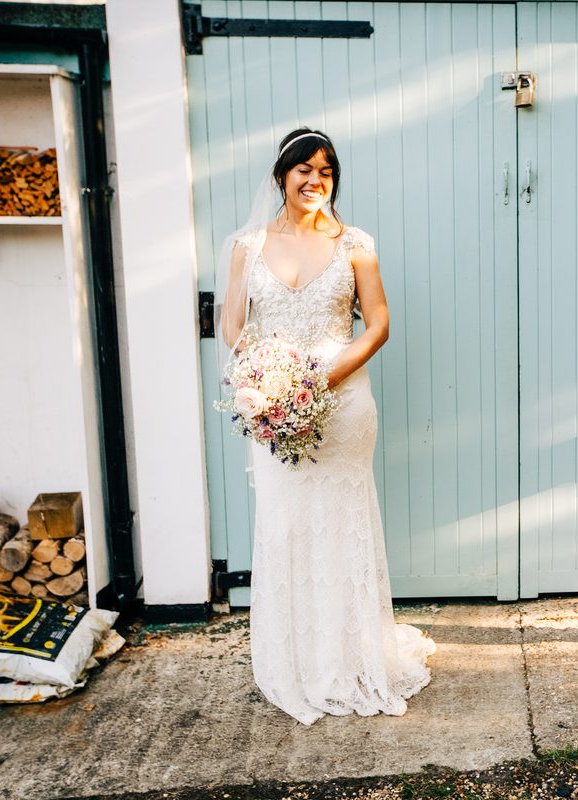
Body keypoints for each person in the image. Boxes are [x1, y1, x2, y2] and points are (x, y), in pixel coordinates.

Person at [216, 128, 435, 725]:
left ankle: (352, 658)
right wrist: (268, 380)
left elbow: (378, 323)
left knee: (342, 524)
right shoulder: (248, 246)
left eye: (326, 171)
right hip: (276, 403)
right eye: (304, 170)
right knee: (287, 525)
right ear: (281, 176)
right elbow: (233, 326)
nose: (316, 181)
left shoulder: (355, 244)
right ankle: (300, 662)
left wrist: (320, 379)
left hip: (344, 404)